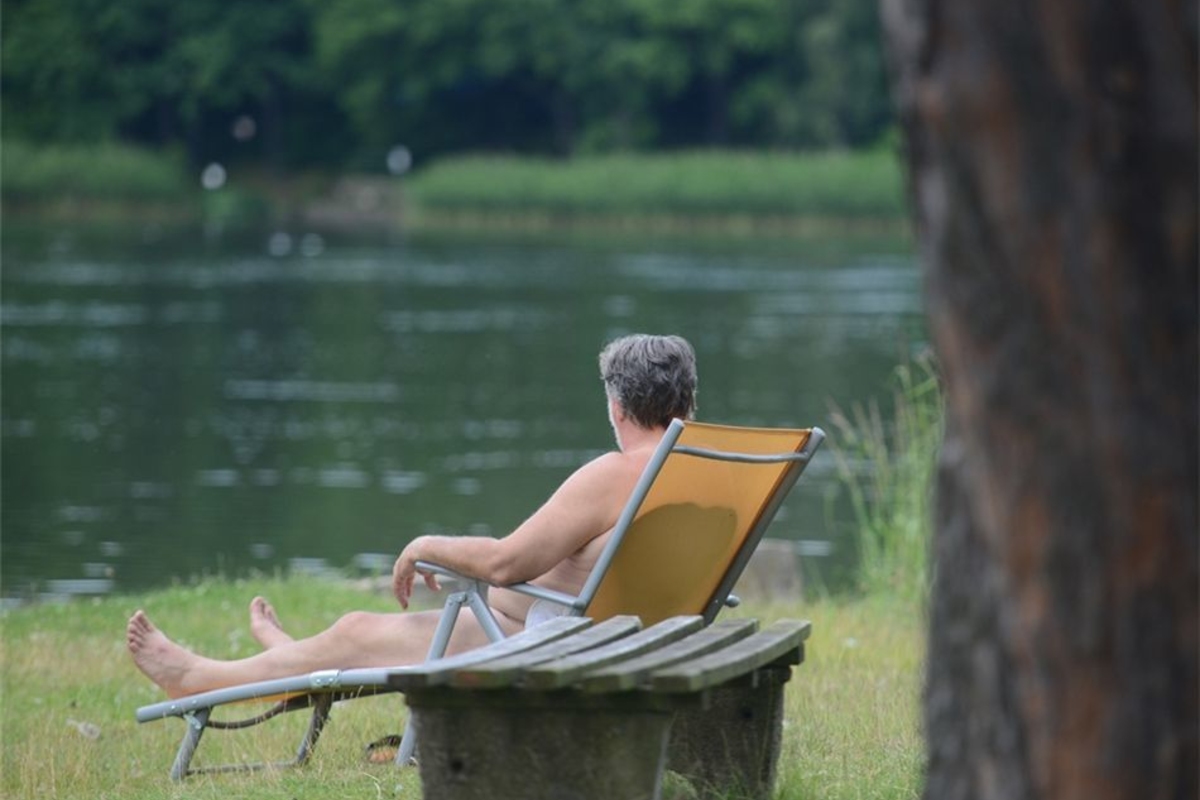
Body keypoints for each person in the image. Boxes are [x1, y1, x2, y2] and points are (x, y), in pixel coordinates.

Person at [127, 333, 698, 698]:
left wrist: (424, 544)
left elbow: (504, 562)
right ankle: (285, 661)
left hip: (554, 647)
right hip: (627, 635)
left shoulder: (617, 473)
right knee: (352, 635)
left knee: (354, 634)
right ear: (686, 401)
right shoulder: (704, 468)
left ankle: (197, 680)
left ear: (617, 407)